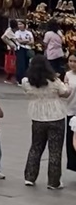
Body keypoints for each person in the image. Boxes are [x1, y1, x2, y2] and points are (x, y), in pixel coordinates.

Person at [21, 53, 70, 189]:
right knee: (55, 150)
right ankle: (54, 181)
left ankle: (30, 177)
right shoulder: (54, 80)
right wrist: (65, 83)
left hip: (37, 117)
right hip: (56, 116)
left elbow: (26, 92)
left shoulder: (27, 81)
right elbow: (65, 92)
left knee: (36, 147)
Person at [64, 52, 76, 175]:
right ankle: (73, 164)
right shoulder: (67, 75)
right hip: (70, 110)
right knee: (71, 140)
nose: (72, 64)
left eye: (75, 61)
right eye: (70, 61)